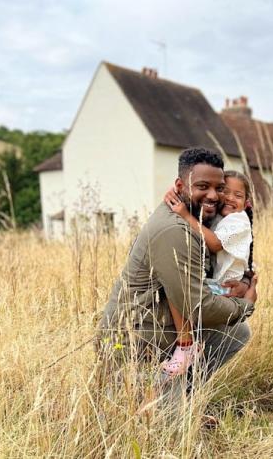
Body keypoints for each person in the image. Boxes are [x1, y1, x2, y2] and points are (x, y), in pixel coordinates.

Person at [98, 147, 258, 383]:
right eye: (203, 187)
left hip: (167, 325)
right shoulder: (175, 230)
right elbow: (198, 307)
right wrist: (245, 305)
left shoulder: (199, 214)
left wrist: (245, 281)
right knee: (165, 421)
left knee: (236, 332)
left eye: (219, 188)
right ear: (180, 186)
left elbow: (236, 250)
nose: (214, 195)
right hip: (135, 342)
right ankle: (165, 396)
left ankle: (188, 394)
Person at [159, 170, 255, 375]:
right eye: (224, 191)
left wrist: (184, 214)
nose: (229, 198)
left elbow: (214, 243)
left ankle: (186, 346)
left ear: (247, 202)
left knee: (176, 289)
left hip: (223, 288)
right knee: (180, 287)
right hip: (219, 284)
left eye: (237, 196)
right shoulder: (221, 216)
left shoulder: (238, 220)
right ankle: (192, 366)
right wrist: (175, 192)